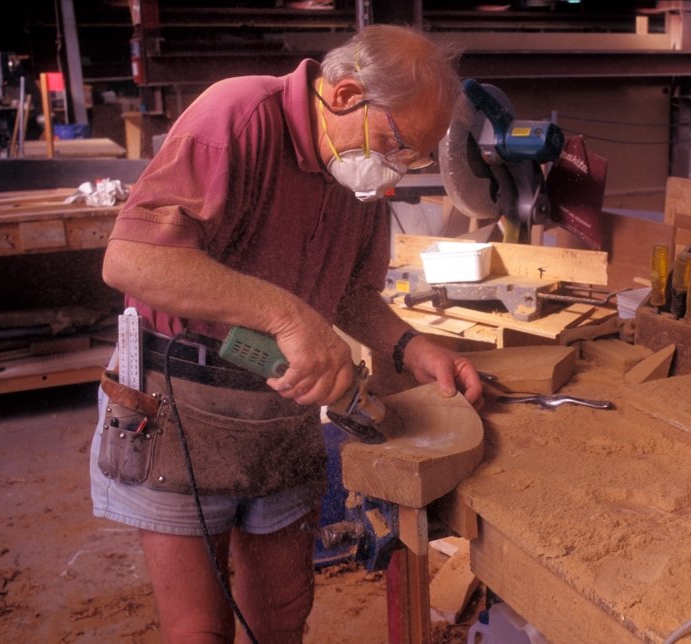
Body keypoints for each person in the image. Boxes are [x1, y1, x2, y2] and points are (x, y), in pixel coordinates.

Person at [90, 24, 483, 643]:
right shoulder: (238, 115)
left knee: (280, 616)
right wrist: (287, 315)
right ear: (347, 94)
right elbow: (131, 260)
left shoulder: (360, 175)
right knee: (200, 630)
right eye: (395, 144)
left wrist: (414, 346)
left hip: (280, 402)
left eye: (414, 159)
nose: (395, 175)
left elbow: (351, 291)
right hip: (179, 399)